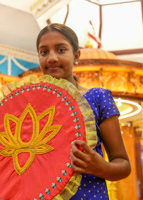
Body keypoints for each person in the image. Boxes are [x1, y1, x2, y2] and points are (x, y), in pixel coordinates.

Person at [36, 23, 131, 200]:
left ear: (76, 56)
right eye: (44, 52)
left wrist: (101, 167)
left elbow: (123, 165)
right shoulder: (32, 106)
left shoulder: (98, 97)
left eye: (61, 49)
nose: (52, 58)